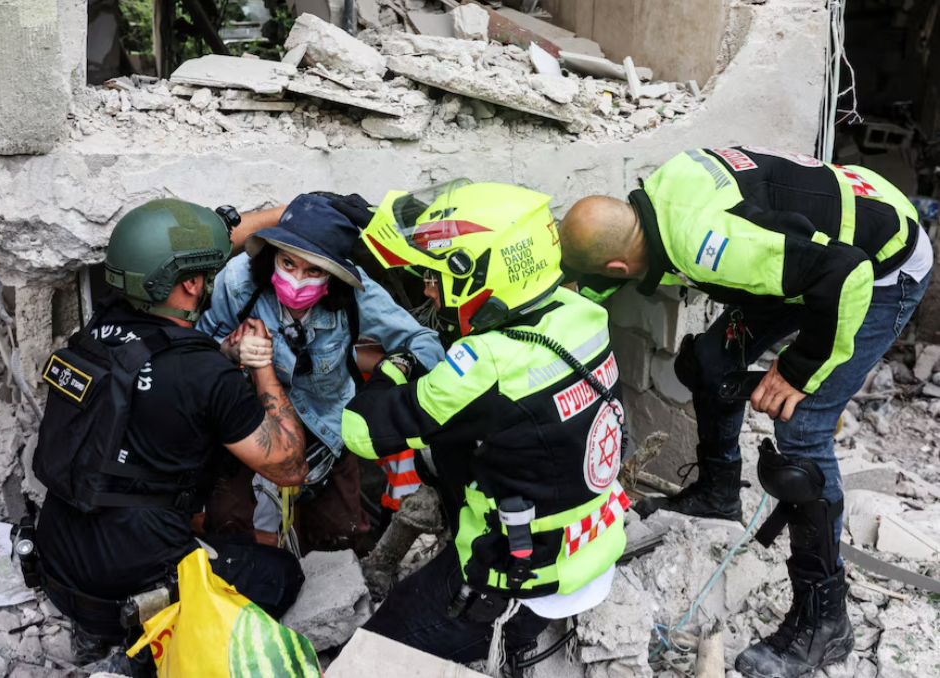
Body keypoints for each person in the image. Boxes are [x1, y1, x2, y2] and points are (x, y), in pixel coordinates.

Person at [559, 146, 933, 678]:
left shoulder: (709, 246)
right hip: (818, 250)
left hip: (878, 267)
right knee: (711, 362)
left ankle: (825, 622)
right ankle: (717, 494)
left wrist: (798, 369)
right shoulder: (663, 190)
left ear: (621, 264)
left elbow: (843, 273)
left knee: (800, 433)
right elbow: (794, 252)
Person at [339, 179, 629, 667]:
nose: (429, 287)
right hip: (593, 539)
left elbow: (362, 431)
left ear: (476, 274)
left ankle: (503, 635)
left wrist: (397, 367)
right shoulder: (581, 314)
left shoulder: (484, 366)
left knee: (372, 653)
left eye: (435, 276)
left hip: (520, 578)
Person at [33, 199, 309, 672]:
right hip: (128, 579)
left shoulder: (100, 326)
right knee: (279, 575)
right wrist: (262, 367)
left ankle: (94, 631)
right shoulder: (203, 374)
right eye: (206, 271)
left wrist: (295, 210)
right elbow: (289, 467)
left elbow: (164, 385)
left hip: (57, 567)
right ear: (189, 283)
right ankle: (140, 658)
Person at [197, 193, 444, 554]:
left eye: (313, 271)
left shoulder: (358, 297)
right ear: (272, 256)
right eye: (288, 263)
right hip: (249, 430)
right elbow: (198, 349)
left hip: (327, 432)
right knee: (234, 534)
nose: (297, 280)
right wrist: (229, 350)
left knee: (342, 540)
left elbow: (425, 342)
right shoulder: (239, 282)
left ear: (333, 277)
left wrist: (392, 376)